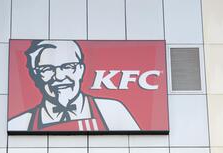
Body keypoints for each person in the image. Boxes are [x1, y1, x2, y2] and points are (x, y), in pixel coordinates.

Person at [8, 40, 140, 132]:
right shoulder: (19, 124)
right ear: (35, 75)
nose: (59, 76)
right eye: (47, 69)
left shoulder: (112, 110)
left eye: (68, 67)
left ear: (81, 70)